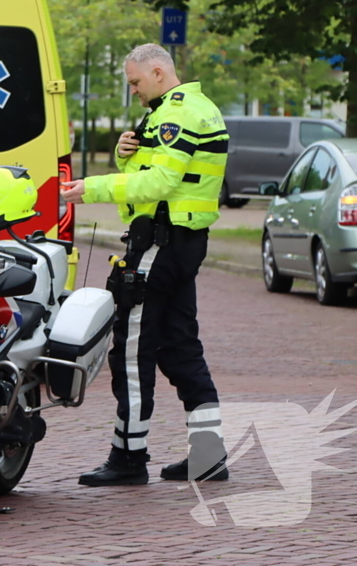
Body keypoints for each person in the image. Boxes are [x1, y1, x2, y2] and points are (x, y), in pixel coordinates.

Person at [61, 43, 230, 486]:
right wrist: (122, 154)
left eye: (135, 82)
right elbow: (154, 170)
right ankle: (209, 455)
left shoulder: (175, 114)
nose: (133, 91)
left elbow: (159, 182)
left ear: (158, 72)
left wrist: (92, 188)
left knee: (133, 351)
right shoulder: (194, 108)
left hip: (160, 242)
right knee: (180, 344)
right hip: (182, 241)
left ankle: (128, 456)